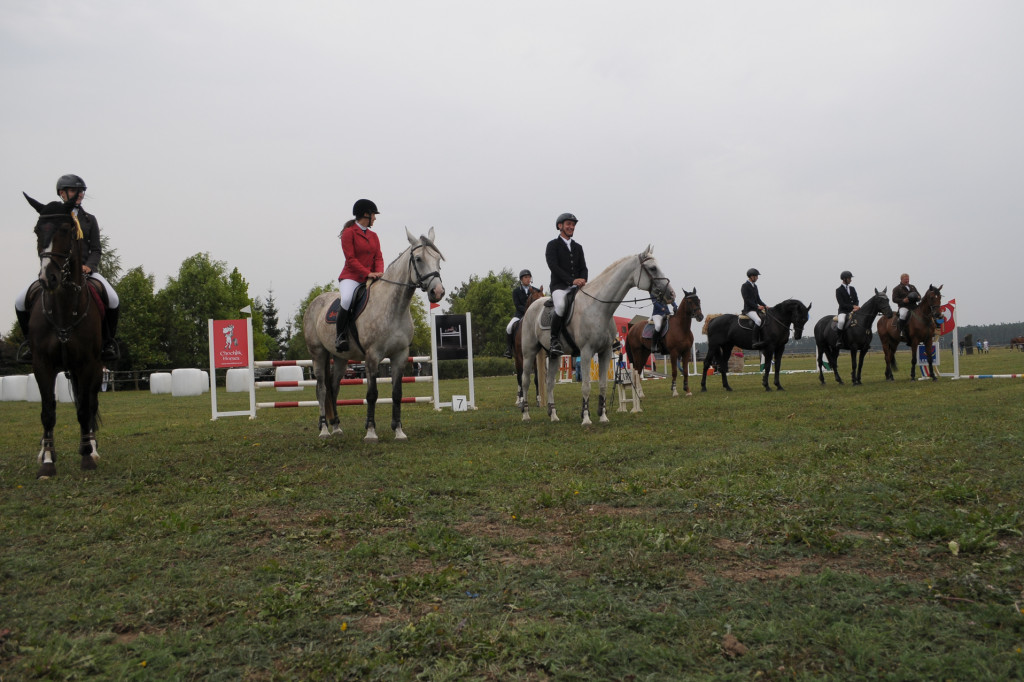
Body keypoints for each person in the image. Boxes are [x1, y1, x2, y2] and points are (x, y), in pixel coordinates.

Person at [15, 174, 120, 362]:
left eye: (81, 192)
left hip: (86, 272)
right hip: (56, 270)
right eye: (74, 191)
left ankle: (107, 343)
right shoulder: (53, 218)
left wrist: (89, 266)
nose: (79, 195)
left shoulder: (90, 219)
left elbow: (96, 249)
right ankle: (30, 344)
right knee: (20, 301)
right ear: (62, 193)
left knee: (113, 299)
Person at [336, 199, 384, 351]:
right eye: (373, 215)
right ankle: (340, 336)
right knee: (347, 299)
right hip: (351, 277)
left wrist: (379, 273)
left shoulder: (374, 236)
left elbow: (378, 257)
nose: (375, 218)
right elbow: (350, 260)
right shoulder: (348, 233)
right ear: (366, 214)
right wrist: (368, 273)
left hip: (372, 277)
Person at [545, 212, 587, 356]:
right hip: (559, 287)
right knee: (561, 306)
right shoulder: (552, 245)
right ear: (560, 226)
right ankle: (554, 340)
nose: (571, 227)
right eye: (569, 224)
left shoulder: (578, 247)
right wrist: (571, 280)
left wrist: (583, 280)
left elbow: (583, 267)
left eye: (573, 225)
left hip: (577, 287)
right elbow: (553, 266)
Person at [503, 269, 539, 358]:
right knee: (509, 327)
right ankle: (509, 349)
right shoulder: (516, 291)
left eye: (529, 277)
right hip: (520, 315)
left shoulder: (536, 290)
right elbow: (517, 305)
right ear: (521, 279)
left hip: (534, 316)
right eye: (525, 277)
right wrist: (527, 312)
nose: (528, 279)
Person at [741, 268, 767, 349]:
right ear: (751, 276)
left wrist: (765, 306)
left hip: (755, 309)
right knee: (758, 320)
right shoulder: (745, 286)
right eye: (756, 276)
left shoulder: (755, 286)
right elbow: (747, 300)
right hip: (748, 309)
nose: (757, 278)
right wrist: (757, 306)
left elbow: (758, 299)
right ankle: (754, 341)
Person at [891, 273, 920, 341]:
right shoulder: (897, 288)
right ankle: (901, 331)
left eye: (908, 279)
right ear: (901, 279)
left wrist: (918, 297)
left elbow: (919, 296)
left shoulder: (913, 287)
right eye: (905, 279)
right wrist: (903, 300)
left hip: (914, 306)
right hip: (904, 306)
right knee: (903, 315)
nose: (907, 280)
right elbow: (894, 299)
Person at [835, 270, 860, 347]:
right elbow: (841, 304)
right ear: (844, 279)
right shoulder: (838, 290)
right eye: (849, 278)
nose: (851, 280)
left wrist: (856, 307)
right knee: (841, 321)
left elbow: (856, 299)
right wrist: (852, 307)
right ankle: (839, 339)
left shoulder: (852, 288)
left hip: (854, 311)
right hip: (843, 311)